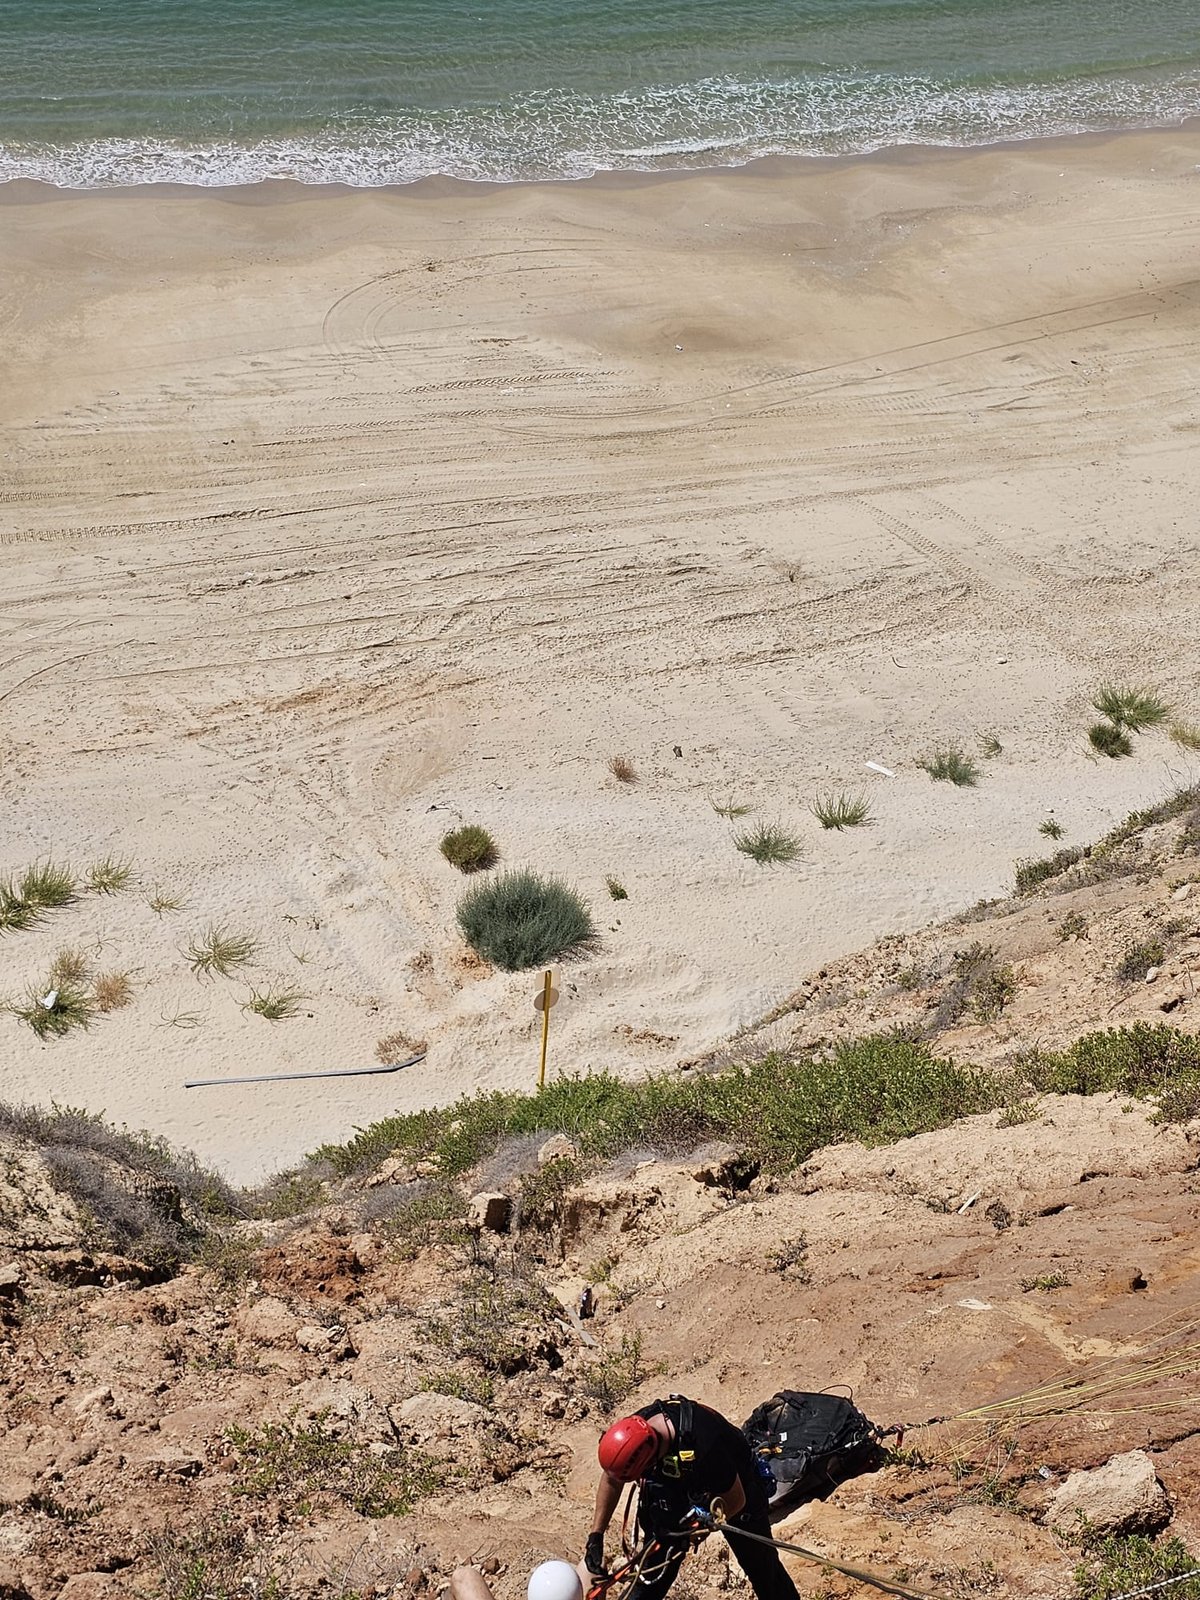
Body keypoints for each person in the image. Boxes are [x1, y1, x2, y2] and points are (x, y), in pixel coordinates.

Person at [585, 1396, 801, 1600]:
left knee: (763, 1569)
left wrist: (694, 1529)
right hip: (677, 1485)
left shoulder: (704, 1441)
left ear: (650, 1458)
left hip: (739, 1490)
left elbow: (735, 1501)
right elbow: (612, 1479)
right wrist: (596, 1536)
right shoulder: (631, 1435)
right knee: (655, 1567)